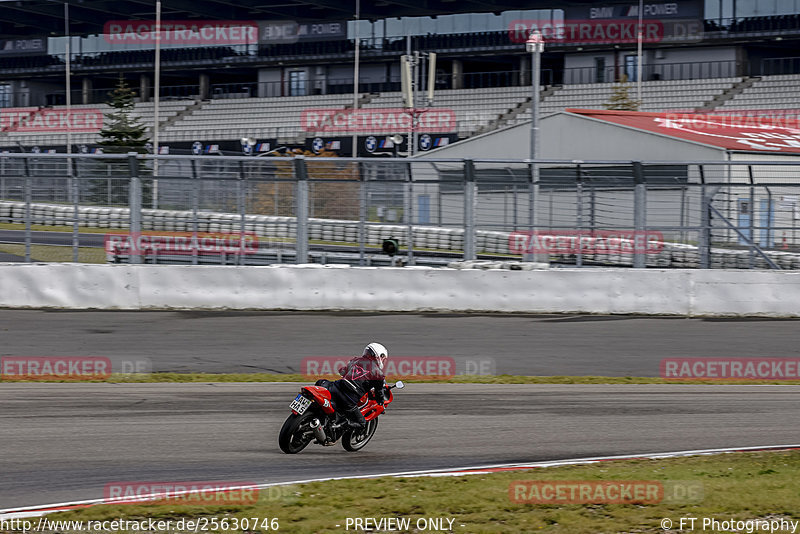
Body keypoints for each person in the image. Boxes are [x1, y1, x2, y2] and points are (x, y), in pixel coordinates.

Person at [318, 342, 388, 432]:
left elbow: (342, 371)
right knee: (361, 423)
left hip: (335, 387)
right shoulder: (378, 374)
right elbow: (379, 392)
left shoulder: (355, 360)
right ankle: (336, 428)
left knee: (321, 382)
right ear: (379, 356)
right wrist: (381, 402)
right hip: (348, 398)